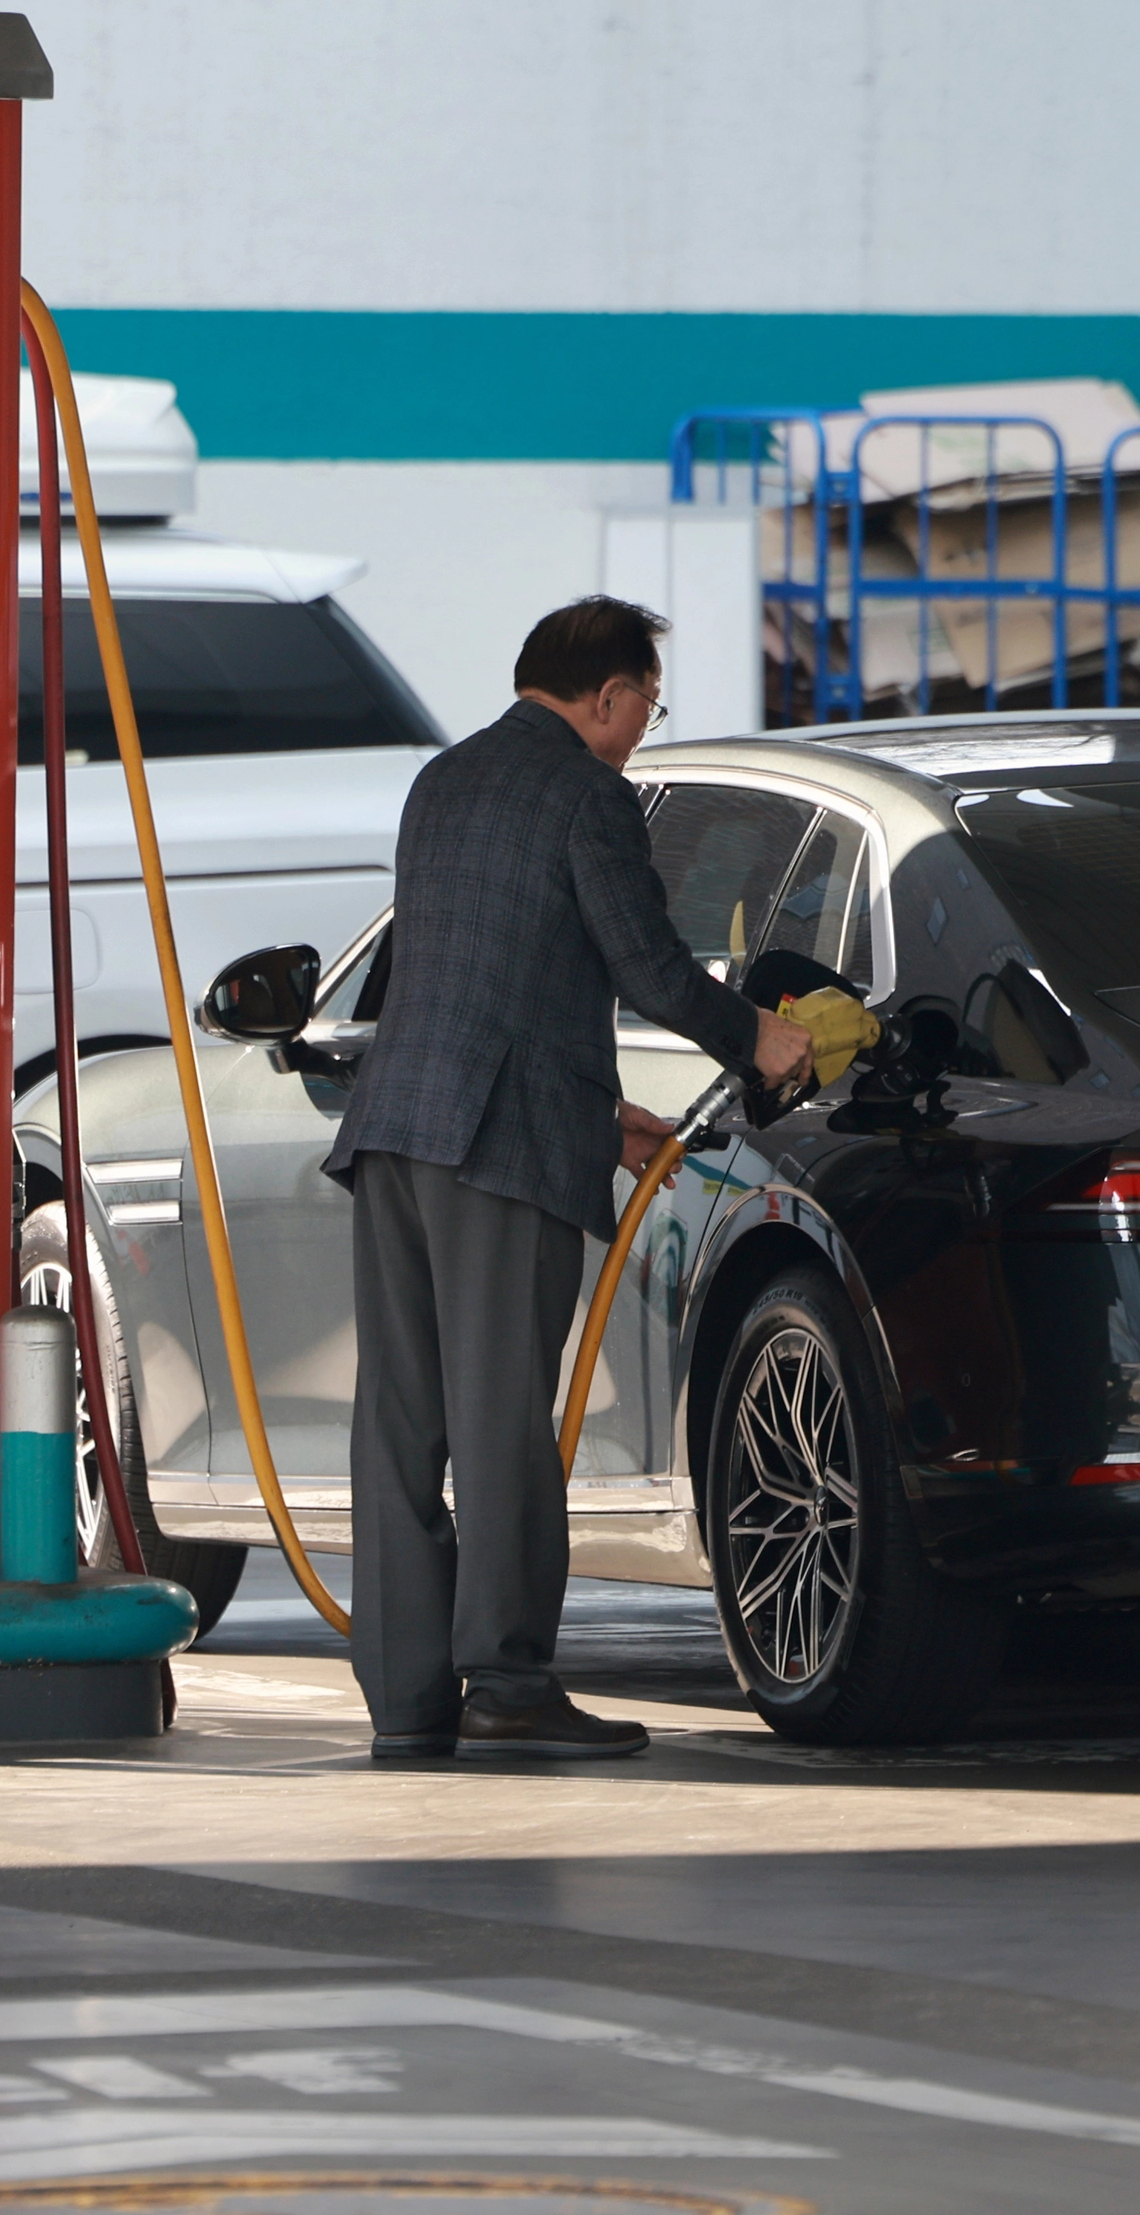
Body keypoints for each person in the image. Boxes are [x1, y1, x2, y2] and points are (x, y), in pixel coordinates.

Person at [323, 597, 811, 1760]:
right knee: (499, 1423)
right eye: (647, 705)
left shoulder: (443, 781)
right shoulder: (587, 795)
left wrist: (599, 1121)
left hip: (396, 1133)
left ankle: (406, 1703)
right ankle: (507, 1686)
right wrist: (759, 1039)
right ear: (607, 695)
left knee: (400, 1426)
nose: (643, 729)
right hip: (496, 1154)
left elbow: (483, 983)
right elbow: (645, 967)